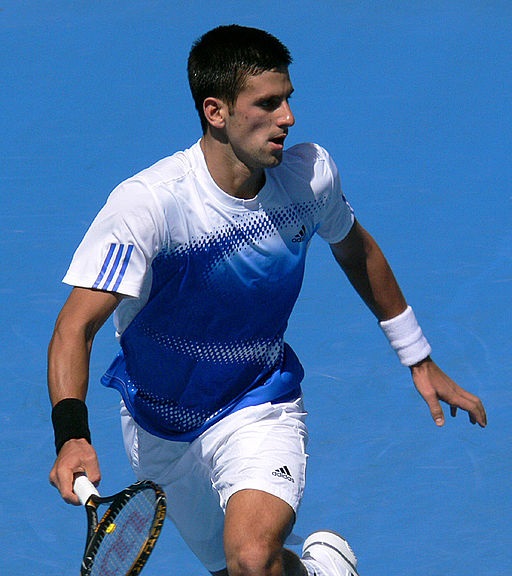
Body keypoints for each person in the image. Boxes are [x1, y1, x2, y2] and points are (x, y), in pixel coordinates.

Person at [48, 24, 487, 576]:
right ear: (216, 111)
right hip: (159, 428)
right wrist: (72, 436)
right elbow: (75, 327)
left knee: (252, 557)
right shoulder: (150, 206)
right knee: (246, 569)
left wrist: (417, 355)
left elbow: (357, 250)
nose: (289, 118)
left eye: (288, 99)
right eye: (268, 104)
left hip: (258, 402)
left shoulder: (309, 180)